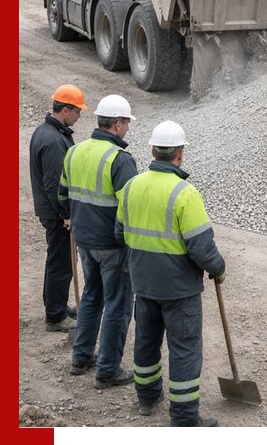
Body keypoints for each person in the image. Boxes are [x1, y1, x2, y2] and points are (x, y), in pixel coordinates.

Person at [116, 120, 225, 427]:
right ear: (181, 154)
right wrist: (219, 269)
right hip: (179, 292)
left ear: (152, 151)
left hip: (144, 285)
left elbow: (119, 232)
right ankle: (185, 418)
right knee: (185, 350)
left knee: (146, 342)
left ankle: (147, 399)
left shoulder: (130, 187)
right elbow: (202, 249)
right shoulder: (185, 194)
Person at [59, 94, 138, 388]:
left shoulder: (75, 152)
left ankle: (80, 358)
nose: (127, 128)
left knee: (91, 296)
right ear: (116, 124)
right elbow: (133, 208)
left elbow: (62, 195)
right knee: (118, 305)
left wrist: (75, 220)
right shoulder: (119, 160)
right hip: (112, 246)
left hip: (83, 240)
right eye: (127, 123)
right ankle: (107, 370)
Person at [29, 84, 87, 332]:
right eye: (77, 111)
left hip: (51, 211)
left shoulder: (48, 131)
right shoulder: (53, 140)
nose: (79, 116)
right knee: (61, 263)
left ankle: (58, 306)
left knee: (59, 260)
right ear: (65, 110)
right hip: (56, 213)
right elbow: (54, 185)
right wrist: (66, 215)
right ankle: (55, 315)